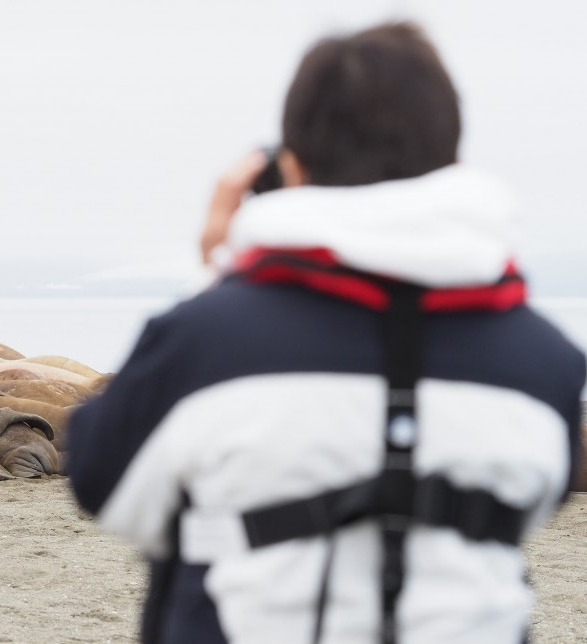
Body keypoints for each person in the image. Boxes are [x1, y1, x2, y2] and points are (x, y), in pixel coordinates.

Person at [66, 22, 584, 644]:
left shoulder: (206, 342)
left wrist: (216, 275)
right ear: (452, 164)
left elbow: (101, 479)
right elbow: (543, 502)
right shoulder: (546, 362)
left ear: (289, 165)